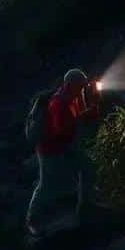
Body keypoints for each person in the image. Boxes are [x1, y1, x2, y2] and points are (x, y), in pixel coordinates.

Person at [26, 68, 100, 238]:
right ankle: (33, 220)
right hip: (49, 150)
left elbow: (84, 120)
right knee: (46, 185)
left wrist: (91, 108)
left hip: (65, 146)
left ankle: (86, 206)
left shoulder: (72, 98)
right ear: (70, 84)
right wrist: (80, 118)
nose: (83, 89)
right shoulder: (58, 102)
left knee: (88, 167)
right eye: (80, 86)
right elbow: (61, 130)